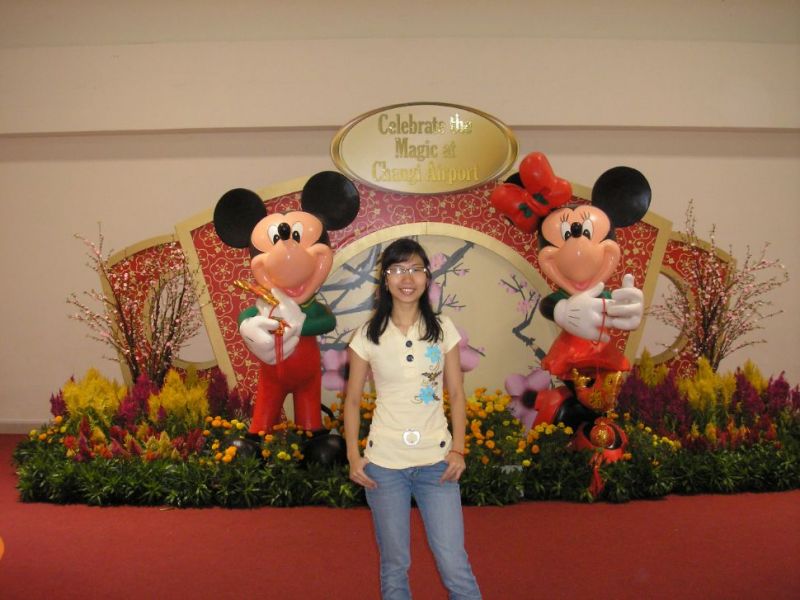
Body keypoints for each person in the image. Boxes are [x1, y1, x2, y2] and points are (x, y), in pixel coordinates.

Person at [344, 238, 482, 600]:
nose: (408, 278)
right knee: (395, 564)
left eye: (416, 269)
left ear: (427, 277)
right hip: (384, 466)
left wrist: (459, 449)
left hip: (437, 463)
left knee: (454, 563)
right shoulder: (366, 335)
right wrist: (354, 456)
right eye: (398, 269)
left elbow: (457, 393)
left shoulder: (443, 328)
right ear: (385, 278)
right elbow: (353, 400)